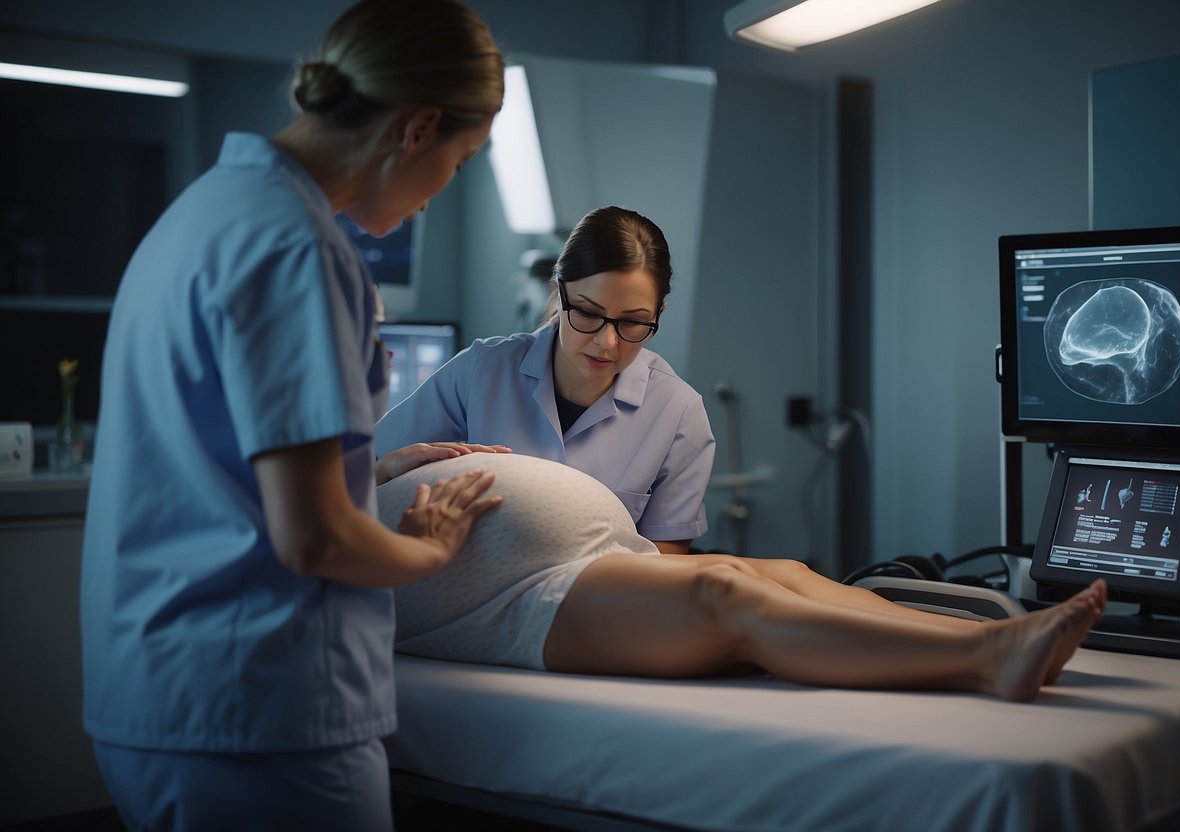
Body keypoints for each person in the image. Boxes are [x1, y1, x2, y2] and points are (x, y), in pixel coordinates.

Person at [79, 2, 505, 828]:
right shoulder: (298, 248)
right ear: (417, 128)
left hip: (162, 691)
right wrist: (430, 549)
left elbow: (210, 461)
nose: (434, 199)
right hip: (258, 711)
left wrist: (366, 472)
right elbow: (314, 539)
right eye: (461, 161)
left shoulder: (207, 212)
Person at [380, 453, 1108, 703]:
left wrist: (389, 467)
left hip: (589, 551)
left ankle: (1001, 633)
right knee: (721, 597)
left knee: (775, 569)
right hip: (504, 598)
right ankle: (985, 662)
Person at [374, 205, 716, 554]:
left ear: (658, 314)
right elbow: (360, 477)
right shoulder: (481, 371)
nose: (606, 343)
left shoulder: (679, 413)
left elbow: (666, 565)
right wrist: (384, 468)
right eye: (586, 312)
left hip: (600, 601)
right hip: (480, 590)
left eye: (632, 322)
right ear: (559, 292)